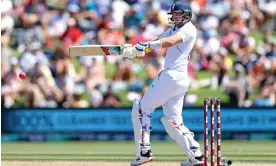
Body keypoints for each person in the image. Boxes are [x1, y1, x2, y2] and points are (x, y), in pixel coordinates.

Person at [122, 1, 204, 166]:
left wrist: (145, 46)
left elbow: (169, 42)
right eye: (173, 15)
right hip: (178, 79)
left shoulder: (188, 29)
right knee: (173, 121)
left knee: (141, 109)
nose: (174, 17)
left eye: (177, 15)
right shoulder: (173, 28)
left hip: (172, 76)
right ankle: (197, 156)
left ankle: (144, 152)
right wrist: (135, 49)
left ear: (187, 15)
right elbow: (158, 41)